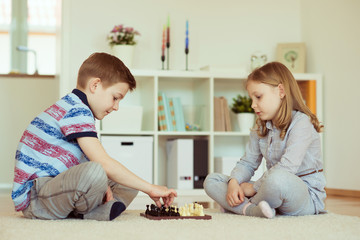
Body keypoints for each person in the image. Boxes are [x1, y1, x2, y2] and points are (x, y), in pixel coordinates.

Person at [12, 52, 177, 221]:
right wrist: (150, 188)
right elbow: (101, 163)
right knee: (97, 171)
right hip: (38, 199)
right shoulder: (76, 109)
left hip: (57, 188)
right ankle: (91, 211)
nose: (116, 107)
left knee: (127, 183)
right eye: (115, 98)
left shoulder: (78, 108)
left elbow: (80, 160)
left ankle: (93, 210)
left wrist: (104, 182)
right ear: (95, 85)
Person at [204, 62, 326, 218]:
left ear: (281, 91)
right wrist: (233, 183)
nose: (253, 105)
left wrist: (254, 188)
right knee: (212, 180)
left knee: (277, 179)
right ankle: (254, 209)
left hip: (304, 196)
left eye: (258, 97)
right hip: (268, 190)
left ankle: (242, 207)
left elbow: (287, 168)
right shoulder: (260, 126)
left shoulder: (302, 123)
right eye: (252, 99)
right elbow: (248, 162)